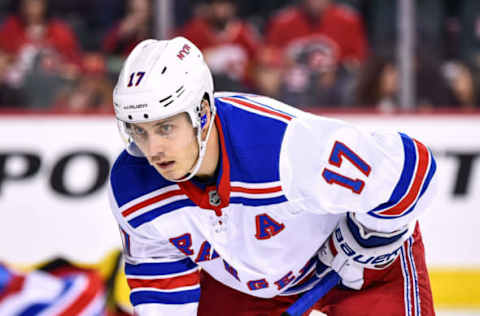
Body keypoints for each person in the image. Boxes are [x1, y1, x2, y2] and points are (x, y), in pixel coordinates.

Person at [108, 37, 438, 315]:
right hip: (248, 286)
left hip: (363, 274)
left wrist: (370, 235)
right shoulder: (133, 188)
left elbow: (412, 170)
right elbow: (161, 290)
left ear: (203, 114)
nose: (153, 150)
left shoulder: (282, 146)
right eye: (139, 131)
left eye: (165, 128)